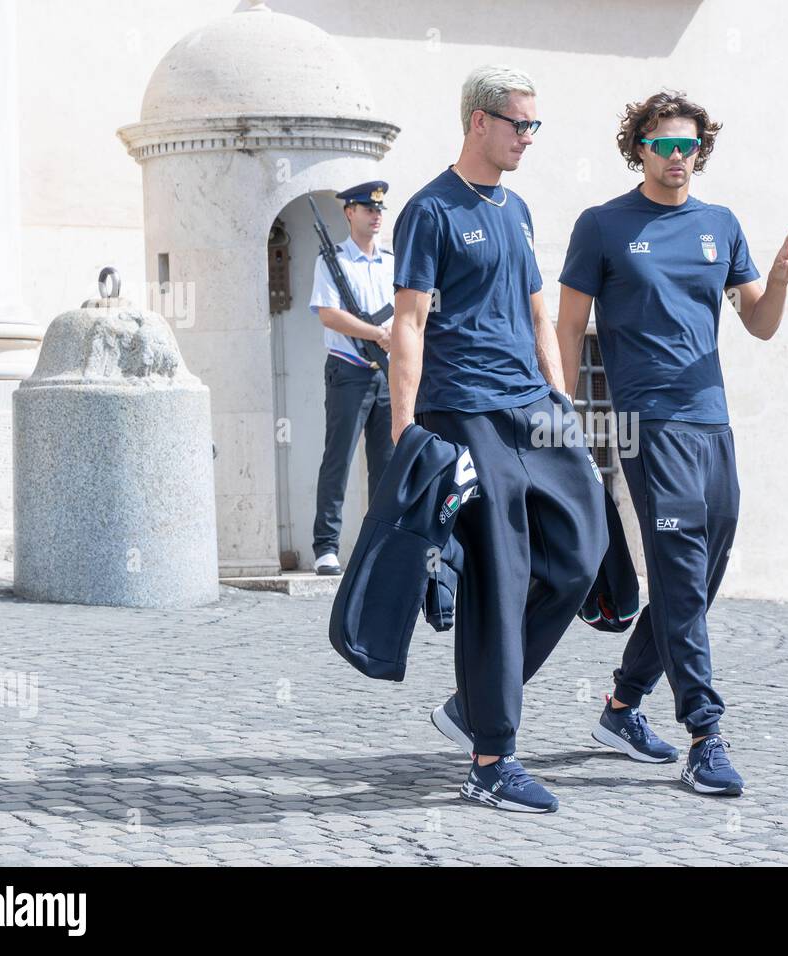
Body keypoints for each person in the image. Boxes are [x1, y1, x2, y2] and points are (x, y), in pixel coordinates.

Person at [557, 90, 788, 796]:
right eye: (663, 144)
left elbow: (758, 323)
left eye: (688, 145)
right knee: (678, 567)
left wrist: (782, 281)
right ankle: (706, 733)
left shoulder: (721, 225)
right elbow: (571, 328)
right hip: (646, 425)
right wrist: (567, 418)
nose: (677, 156)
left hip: (712, 422)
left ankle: (619, 708)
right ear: (638, 147)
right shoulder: (603, 226)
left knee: (695, 578)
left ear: (702, 149)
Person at [390, 66, 608, 813]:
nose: (528, 138)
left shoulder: (516, 211)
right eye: (519, 124)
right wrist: (405, 436)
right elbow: (409, 325)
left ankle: (472, 704)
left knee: (584, 553)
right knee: (502, 574)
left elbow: (540, 314)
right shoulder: (429, 211)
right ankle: (492, 759)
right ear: (478, 122)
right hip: (466, 412)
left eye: (535, 126)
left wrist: (562, 400)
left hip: (533, 409)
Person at [308, 181, 396, 576]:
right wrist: (377, 334)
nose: (375, 215)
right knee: (338, 459)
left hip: (388, 374)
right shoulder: (332, 261)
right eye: (366, 208)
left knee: (387, 463)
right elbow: (328, 313)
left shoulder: (392, 261)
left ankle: (378, 545)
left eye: (379, 209)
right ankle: (326, 546)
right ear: (349, 213)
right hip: (349, 371)